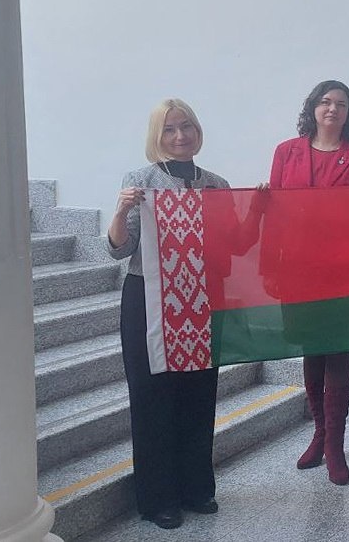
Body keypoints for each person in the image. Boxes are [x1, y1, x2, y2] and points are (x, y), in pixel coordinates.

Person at [108, 99, 228, 529]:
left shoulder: (216, 184)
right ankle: (158, 498)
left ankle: (197, 488)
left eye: (186, 127)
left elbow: (233, 245)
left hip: (199, 298)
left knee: (199, 391)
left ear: (197, 131)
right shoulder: (139, 182)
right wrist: (121, 210)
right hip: (148, 297)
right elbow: (119, 249)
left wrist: (258, 206)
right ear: (157, 136)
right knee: (152, 395)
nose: (180, 136)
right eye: (170, 129)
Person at [268, 80, 349, 486]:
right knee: (311, 350)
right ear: (313, 107)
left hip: (344, 271)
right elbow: (275, 214)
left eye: (341, 104)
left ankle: (336, 445)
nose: (333, 109)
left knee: (338, 350)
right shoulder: (286, 152)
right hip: (298, 270)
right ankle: (318, 434)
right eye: (326, 101)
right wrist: (271, 268)